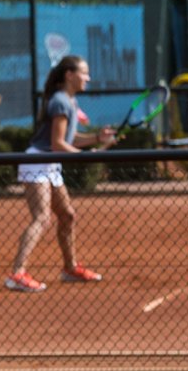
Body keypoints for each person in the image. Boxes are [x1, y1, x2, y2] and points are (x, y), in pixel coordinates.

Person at [6, 55, 116, 293]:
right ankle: (17, 273)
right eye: (84, 73)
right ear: (70, 75)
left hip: (51, 163)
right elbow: (58, 144)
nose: (88, 78)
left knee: (66, 215)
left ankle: (69, 268)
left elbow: (69, 138)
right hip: (38, 161)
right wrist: (84, 156)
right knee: (42, 217)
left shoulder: (70, 102)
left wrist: (97, 139)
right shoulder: (60, 101)